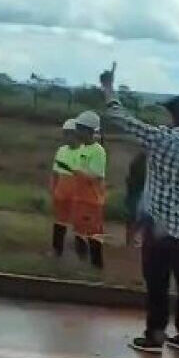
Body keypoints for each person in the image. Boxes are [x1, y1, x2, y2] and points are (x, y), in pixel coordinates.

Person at [100, 63, 179, 354]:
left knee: (157, 283)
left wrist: (108, 89)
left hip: (157, 228)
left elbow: (120, 117)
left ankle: (155, 335)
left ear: (171, 117)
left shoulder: (161, 140)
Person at [72, 111, 107, 269]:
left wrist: (76, 172)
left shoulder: (98, 151)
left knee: (93, 235)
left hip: (92, 200)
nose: (77, 132)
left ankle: (96, 265)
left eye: (79, 128)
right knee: (78, 232)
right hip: (80, 198)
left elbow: (96, 176)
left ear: (88, 130)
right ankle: (82, 265)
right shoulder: (81, 149)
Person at [51, 118, 81, 256]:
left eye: (69, 133)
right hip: (61, 191)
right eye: (65, 133)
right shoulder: (61, 150)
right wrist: (53, 189)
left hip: (78, 193)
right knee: (59, 222)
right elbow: (55, 172)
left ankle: (81, 253)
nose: (66, 137)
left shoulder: (84, 152)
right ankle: (57, 250)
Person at [124, 151, 147, 247]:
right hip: (138, 192)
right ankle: (132, 241)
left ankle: (130, 240)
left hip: (133, 192)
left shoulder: (137, 161)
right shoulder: (144, 163)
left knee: (132, 218)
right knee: (137, 218)